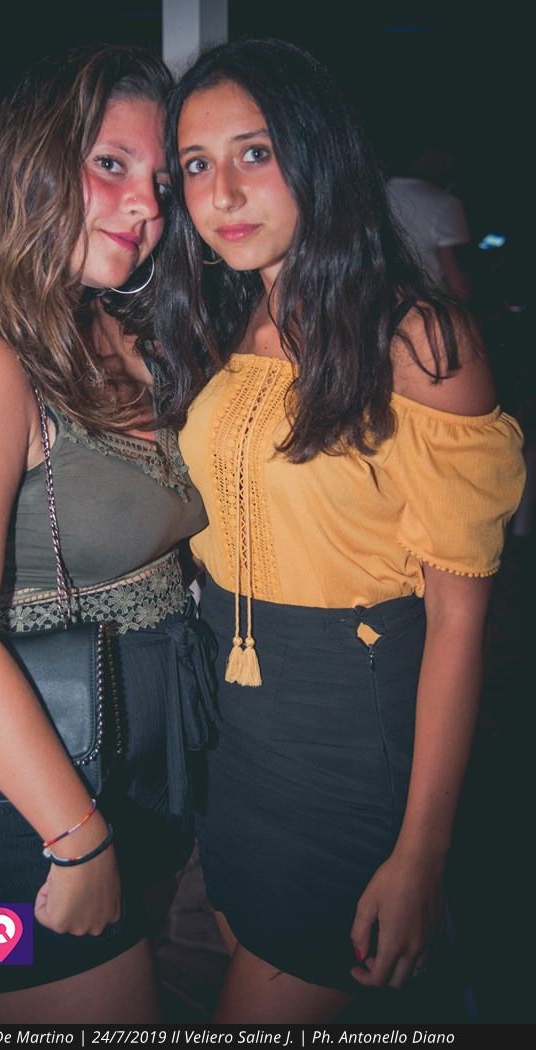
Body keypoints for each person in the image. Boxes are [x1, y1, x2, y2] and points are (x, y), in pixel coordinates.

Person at [155, 39, 526, 1022]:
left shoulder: (420, 341)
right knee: (248, 940)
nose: (224, 192)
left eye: (256, 152)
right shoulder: (223, 326)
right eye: (196, 164)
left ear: (319, 154)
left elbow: (458, 620)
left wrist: (423, 851)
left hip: (350, 737)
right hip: (233, 729)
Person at [0, 46, 212, 1023]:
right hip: (28, 792)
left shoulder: (113, 329)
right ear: (31, 164)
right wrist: (75, 835)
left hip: (139, 753)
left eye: (159, 183)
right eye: (109, 164)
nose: (144, 207)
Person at [387, 144, 473, 302]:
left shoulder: (373, 194)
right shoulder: (445, 203)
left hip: (375, 305)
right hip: (427, 306)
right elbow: (457, 283)